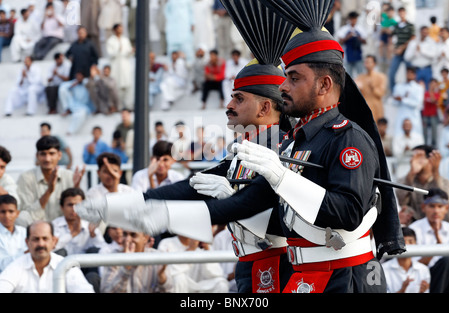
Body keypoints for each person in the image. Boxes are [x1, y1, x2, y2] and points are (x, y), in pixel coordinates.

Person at [75, 0, 296, 293]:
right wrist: (129, 202)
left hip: (281, 267)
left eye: (239, 99)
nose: (229, 105)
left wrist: (170, 214)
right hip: (251, 264)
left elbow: (276, 215)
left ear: (265, 107)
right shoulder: (248, 147)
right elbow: (193, 186)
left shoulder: (284, 149)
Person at [232, 0, 404, 293]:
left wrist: (282, 178)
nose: (283, 86)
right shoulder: (297, 138)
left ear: (325, 85)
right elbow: (283, 216)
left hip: (343, 278)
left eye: (294, 77)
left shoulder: (348, 138)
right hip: (306, 277)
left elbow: (348, 213)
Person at [0, 221, 95, 293]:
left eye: (45, 239)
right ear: (27, 242)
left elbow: (84, 290)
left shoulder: (65, 265)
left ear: (54, 241)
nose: (41, 244)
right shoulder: (17, 266)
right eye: (35, 239)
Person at [16, 136, 85, 226]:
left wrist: (76, 188)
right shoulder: (25, 178)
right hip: (36, 230)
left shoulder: (69, 176)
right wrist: (49, 191)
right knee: (21, 217)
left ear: (59, 155)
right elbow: (28, 214)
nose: (47, 159)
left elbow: (78, 209)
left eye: (51, 154)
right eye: (43, 154)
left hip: (64, 229)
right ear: (37, 156)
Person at [100, 230, 171, 293]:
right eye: (125, 234)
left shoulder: (156, 257)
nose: (128, 240)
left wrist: (162, 278)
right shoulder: (114, 257)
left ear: (145, 238)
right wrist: (125, 269)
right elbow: (106, 291)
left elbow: (169, 291)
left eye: (133, 235)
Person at [409, 188, 449, 293]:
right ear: (423, 207)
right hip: (422, 276)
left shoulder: (448, 228)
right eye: (432, 206)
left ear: (447, 208)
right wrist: (437, 243)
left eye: (440, 206)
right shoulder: (414, 230)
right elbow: (413, 265)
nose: (436, 211)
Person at [157, 234, 229, 293]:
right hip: (180, 286)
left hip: (200, 286)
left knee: (221, 284)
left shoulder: (203, 244)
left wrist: (207, 252)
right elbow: (170, 273)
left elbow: (218, 274)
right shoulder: (166, 243)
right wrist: (190, 251)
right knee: (179, 278)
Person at [396, 145, 449, 222]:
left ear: (431, 160)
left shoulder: (444, 181)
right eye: (412, 156)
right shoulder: (407, 179)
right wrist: (412, 173)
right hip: (414, 226)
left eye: (419, 156)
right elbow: (399, 200)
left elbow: (445, 199)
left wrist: (435, 172)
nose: (413, 160)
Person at [52, 188, 105, 256]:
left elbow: (103, 250)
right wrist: (73, 234)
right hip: (61, 265)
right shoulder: (54, 225)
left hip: (85, 265)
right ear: (62, 207)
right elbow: (50, 248)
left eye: (77, 205)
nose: (74, 209)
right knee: (60, 252)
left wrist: (93, 236)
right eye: (70, 205)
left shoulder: (89, 225)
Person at [382, 227, 430, 293]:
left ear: (416, 244)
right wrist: (402, 291)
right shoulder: (383, 269)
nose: (407, 246)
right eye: (403, 242)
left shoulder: (423, 269)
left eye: (410, 241)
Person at [392, 67, 425, 140]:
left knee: (415, 136)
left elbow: (418, 104)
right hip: (401, 115)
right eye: (408, 72)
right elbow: (394, 102)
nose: (409, 74)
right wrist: (398, 100)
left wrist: (403, 99)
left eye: (411, 73)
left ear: (415, 75)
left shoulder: (418, 88)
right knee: (399, 134)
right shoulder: (398, 86)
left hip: (413, 116)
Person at [105, 23, 133, 111]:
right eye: (118, 28)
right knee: (117, 87)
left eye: (121, 28)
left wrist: (130, 52)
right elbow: (110, 54)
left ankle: (128, 106)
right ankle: (119, 107)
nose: (120, 30)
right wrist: (118, 49)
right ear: (114, 30)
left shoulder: (125, 40)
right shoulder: (111, 41)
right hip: (116, 66)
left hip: (125, 66)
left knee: (127, 86)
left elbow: (128, 53)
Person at [388, 7, 415, 93]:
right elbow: (391, 36)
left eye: (403, 12)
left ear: (405, 13)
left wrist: (402, 47)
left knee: (410, 73)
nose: (401, 14)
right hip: (398, 53)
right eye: (400, 13)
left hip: (407, 53)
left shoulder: (410, 25)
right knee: (391, 73)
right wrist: (392, 47)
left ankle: (411, 91)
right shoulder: (396, 26)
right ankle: (394, 92)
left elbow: (413, 38)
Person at [355, 55, 387, 123]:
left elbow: (381, 93)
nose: (367, 64)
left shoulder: (381, 77)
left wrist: (373, 87)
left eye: (369, 62)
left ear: (374, 64)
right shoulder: (360, 77)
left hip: (376, 108)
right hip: (364, 109)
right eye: (366, 62)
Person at [59, 71, 93, 135]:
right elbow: (62, 87)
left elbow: (92, 82)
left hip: (84, 106)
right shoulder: (74, 82)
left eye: (80, 76)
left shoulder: (86, 82)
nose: (78, 77)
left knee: (80, 115)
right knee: (62, 90)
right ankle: (67, 109)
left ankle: (70, 131)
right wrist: (71, 85)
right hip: (73, 104)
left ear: (83, 76)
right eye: (77, 76)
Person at [404, 26, 437, 90]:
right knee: (413, 88)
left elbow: (433, 55)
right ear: (420, 32)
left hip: (427, 68)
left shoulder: (431, 42)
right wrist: (414, 52)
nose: (424, 34)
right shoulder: (413, 42)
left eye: (426, 32)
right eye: (423, 32)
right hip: (416, 70)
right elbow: (406, 57)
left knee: (428, 89)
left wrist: (421, 50)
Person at [0, 195, 27, 273]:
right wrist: (26, 254)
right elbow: (2, 265)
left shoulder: (24, 232)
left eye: (11, 211)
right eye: (3, 212)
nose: (7, 216)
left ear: (17, 213)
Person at [336, 11, 367, 78]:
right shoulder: (344, 29)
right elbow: (340, 41)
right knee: (349, 76)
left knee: (360, 75)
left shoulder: (360, 29)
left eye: (355, 19)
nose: (354, 20)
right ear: (349, 19)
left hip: (358, 55)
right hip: (348, 56)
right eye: (352, 19)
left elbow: (365, 41)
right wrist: (348, 37)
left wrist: (358, 38)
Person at [164, 0, 194, 64]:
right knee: (172, 48)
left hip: (185, 27)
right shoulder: (170, 1)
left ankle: (189, 63)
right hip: (173, 28)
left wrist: (192, 23)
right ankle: (171, 65)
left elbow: (191, 11)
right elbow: (166, 11)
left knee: (187, 48)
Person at [422, 78, 441, 147]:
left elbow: (433, 100)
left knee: (434, 134)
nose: (433, 85)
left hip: (433, 116)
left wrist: (431, 91)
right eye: (431, 83)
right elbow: (422, 102)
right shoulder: (425, 93)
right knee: (425, 134)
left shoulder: (437, 94)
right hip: (425, 115)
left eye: (434, 84)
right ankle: (425, 148)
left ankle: (434, 148)